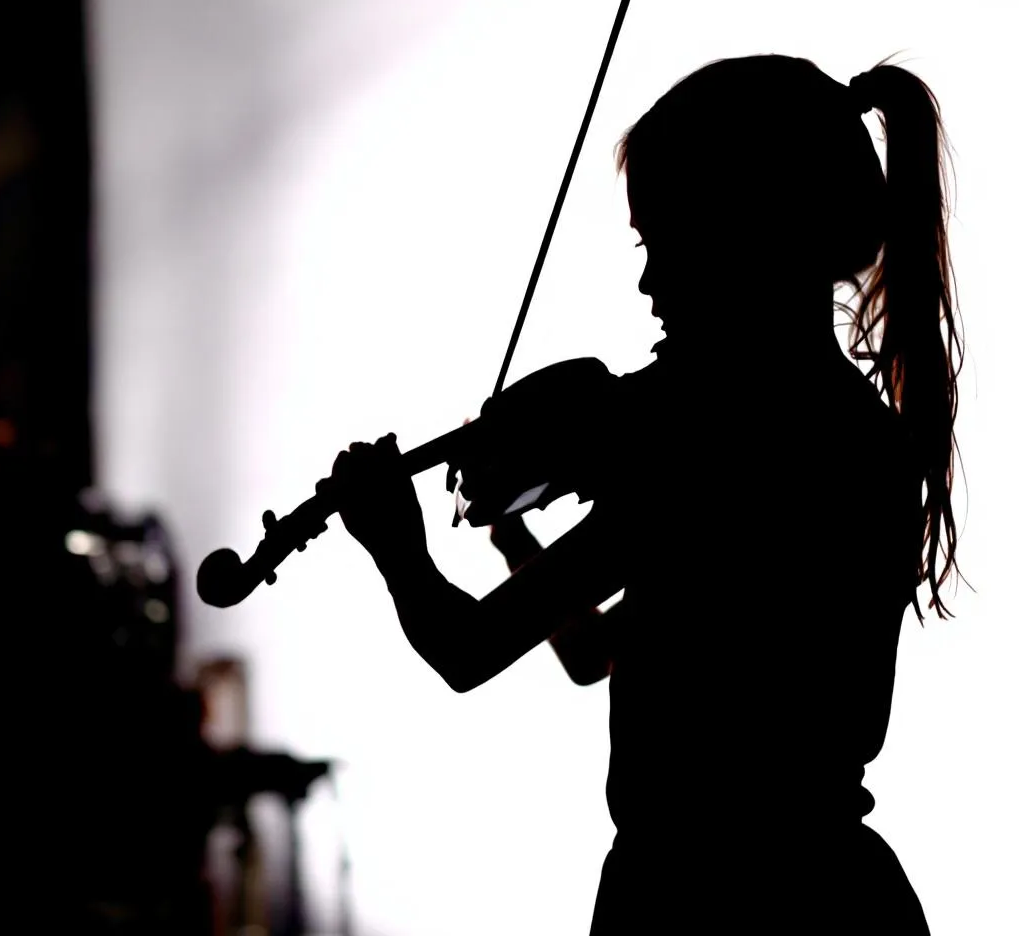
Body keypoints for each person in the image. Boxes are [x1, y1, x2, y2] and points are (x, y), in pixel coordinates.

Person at [331, 53, 966, 933]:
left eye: (663, 241)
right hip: (838, 895)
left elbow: (467, 649)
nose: (648, 283)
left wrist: (396, 547)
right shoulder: (866, 436)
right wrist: (516, 539)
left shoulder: (695, 441)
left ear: (746, 235)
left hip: (693, 899)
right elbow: (603, 653)